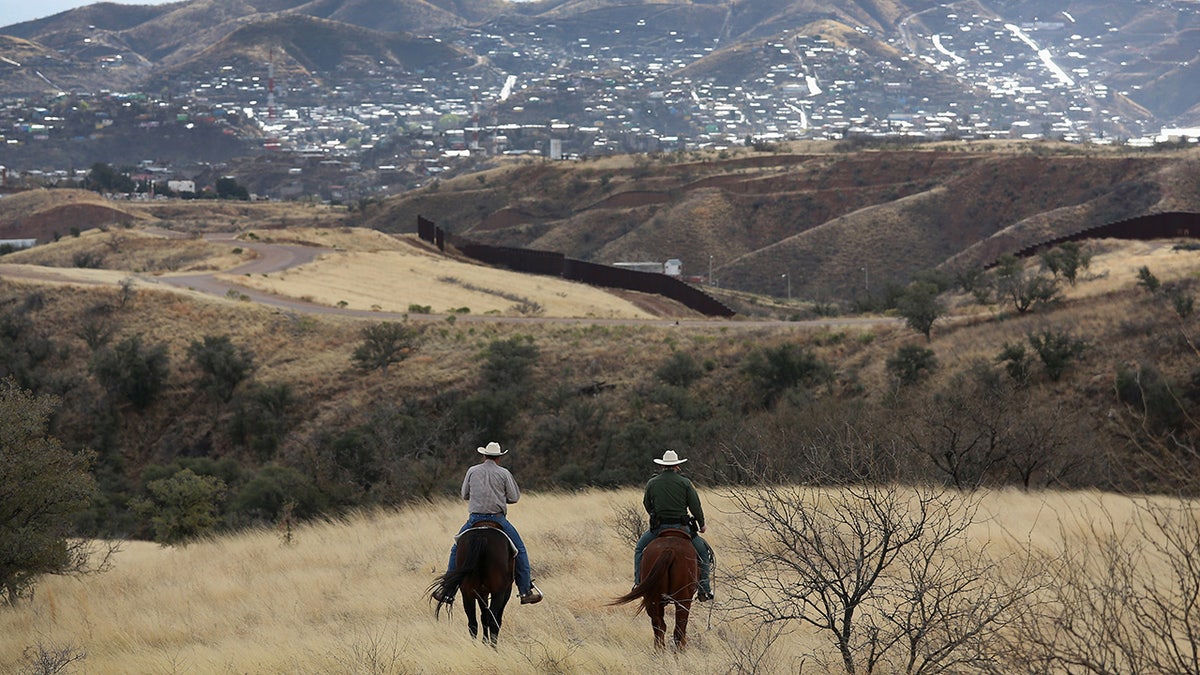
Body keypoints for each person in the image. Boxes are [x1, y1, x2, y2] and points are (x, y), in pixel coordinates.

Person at [433, 441, 543, 605]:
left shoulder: (472, 471)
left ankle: (448, 591)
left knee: (456, 549)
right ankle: (525, 590)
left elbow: (464, 494)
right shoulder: (504, 473)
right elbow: (514, 497)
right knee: (519, 550)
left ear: (484, 455)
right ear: (498, 457)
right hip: (497, 519)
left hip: (475, 519)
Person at [633, 450, 715, 601]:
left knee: (639, 549)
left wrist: (655, 514)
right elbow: (695, 506)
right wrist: (701, 524)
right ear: (677, 465)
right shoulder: (685, 483)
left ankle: (638, 583)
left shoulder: (652, 483)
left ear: (662, 466)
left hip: (659, 528)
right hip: (682, 528)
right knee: (704, 554)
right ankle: (704, 588)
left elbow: (646, 503)